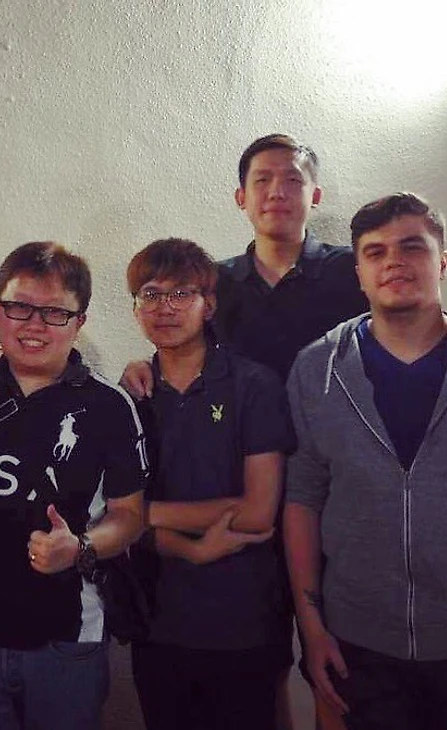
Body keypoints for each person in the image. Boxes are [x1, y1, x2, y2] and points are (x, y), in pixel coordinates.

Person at [122, 133, 447, 729]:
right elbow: (181, 342)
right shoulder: (218, 284)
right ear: (240, 197)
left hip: (340, 508)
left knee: (304, 669)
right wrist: (143, 362)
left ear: (314, 195)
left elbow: (418, 293)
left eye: (293, 180)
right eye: (262, 180)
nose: (277, 192)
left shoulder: (344, 271)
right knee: (268, 670)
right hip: (260, 496)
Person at [284, 192, 447, 730]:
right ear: (359, 271)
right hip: (360, 644)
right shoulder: (317, 369)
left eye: (413, 247)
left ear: (443, 261)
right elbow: (303, 499)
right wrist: (311, 630)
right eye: (376, 251)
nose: (395, 262)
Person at [0, 241, 147, 730]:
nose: (34, 325)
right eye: (19, 307)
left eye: (55, 312)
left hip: (66, 640)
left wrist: (79, 548)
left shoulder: (109, 405)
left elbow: (130, 516)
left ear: (79, 321)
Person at [126, 238, 295, 730]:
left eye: (181, 293)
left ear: (209, 305)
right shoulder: (127, 398)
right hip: (156, 623)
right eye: (150, 294)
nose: (165, 307)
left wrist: (141, 514)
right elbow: (109, 521)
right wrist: (187, 545)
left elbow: (258, 512)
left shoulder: (253, 385)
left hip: (244, 623)